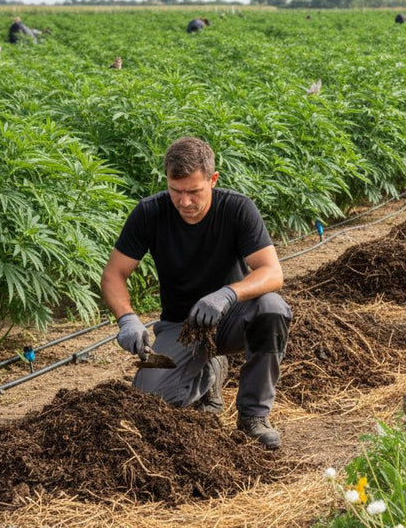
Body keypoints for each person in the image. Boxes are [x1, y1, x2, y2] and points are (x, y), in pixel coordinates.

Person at [100, 137, 291, 449]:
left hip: (230, 318)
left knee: (272, 308)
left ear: (212, 179)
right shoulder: (150, 213)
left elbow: (272, 272)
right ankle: (210, 373)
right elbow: (113, 275)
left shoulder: (237, 209)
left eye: (194, 191)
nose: (184, 202)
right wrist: (127, 319)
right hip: (181, 326)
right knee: (149, 404)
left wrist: (227, 294)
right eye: (176, 191)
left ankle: (253, 416)